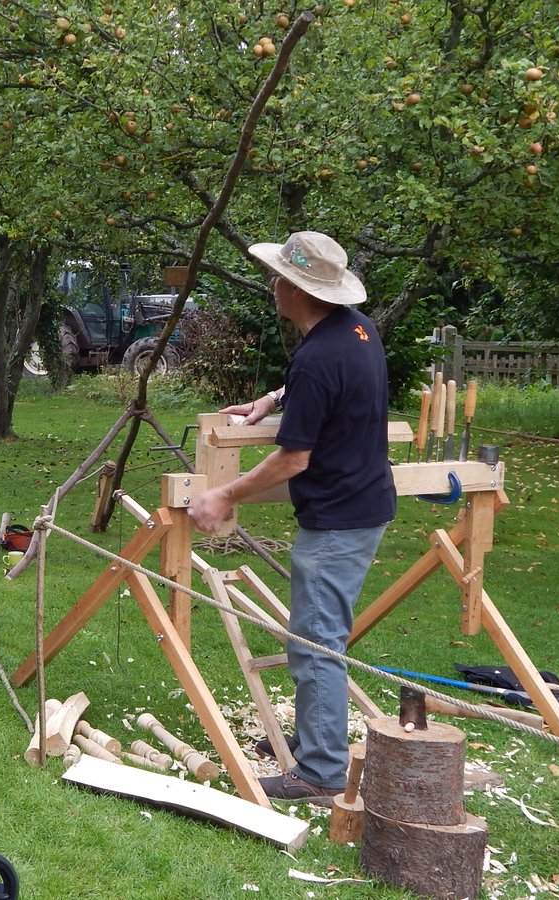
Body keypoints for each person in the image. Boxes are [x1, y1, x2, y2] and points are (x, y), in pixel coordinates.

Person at [188, 231, 395, 804]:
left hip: (338, 521)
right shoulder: (355, 329)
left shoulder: (321, 354)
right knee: (317, 637)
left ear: (298, 288)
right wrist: (272, 400)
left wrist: (226, 495)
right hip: (361, 505)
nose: (272, 284)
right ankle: (315, 738)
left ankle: (320, 771)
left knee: (315, 643)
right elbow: (316, 388)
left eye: (279, 276)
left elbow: (293, 458)